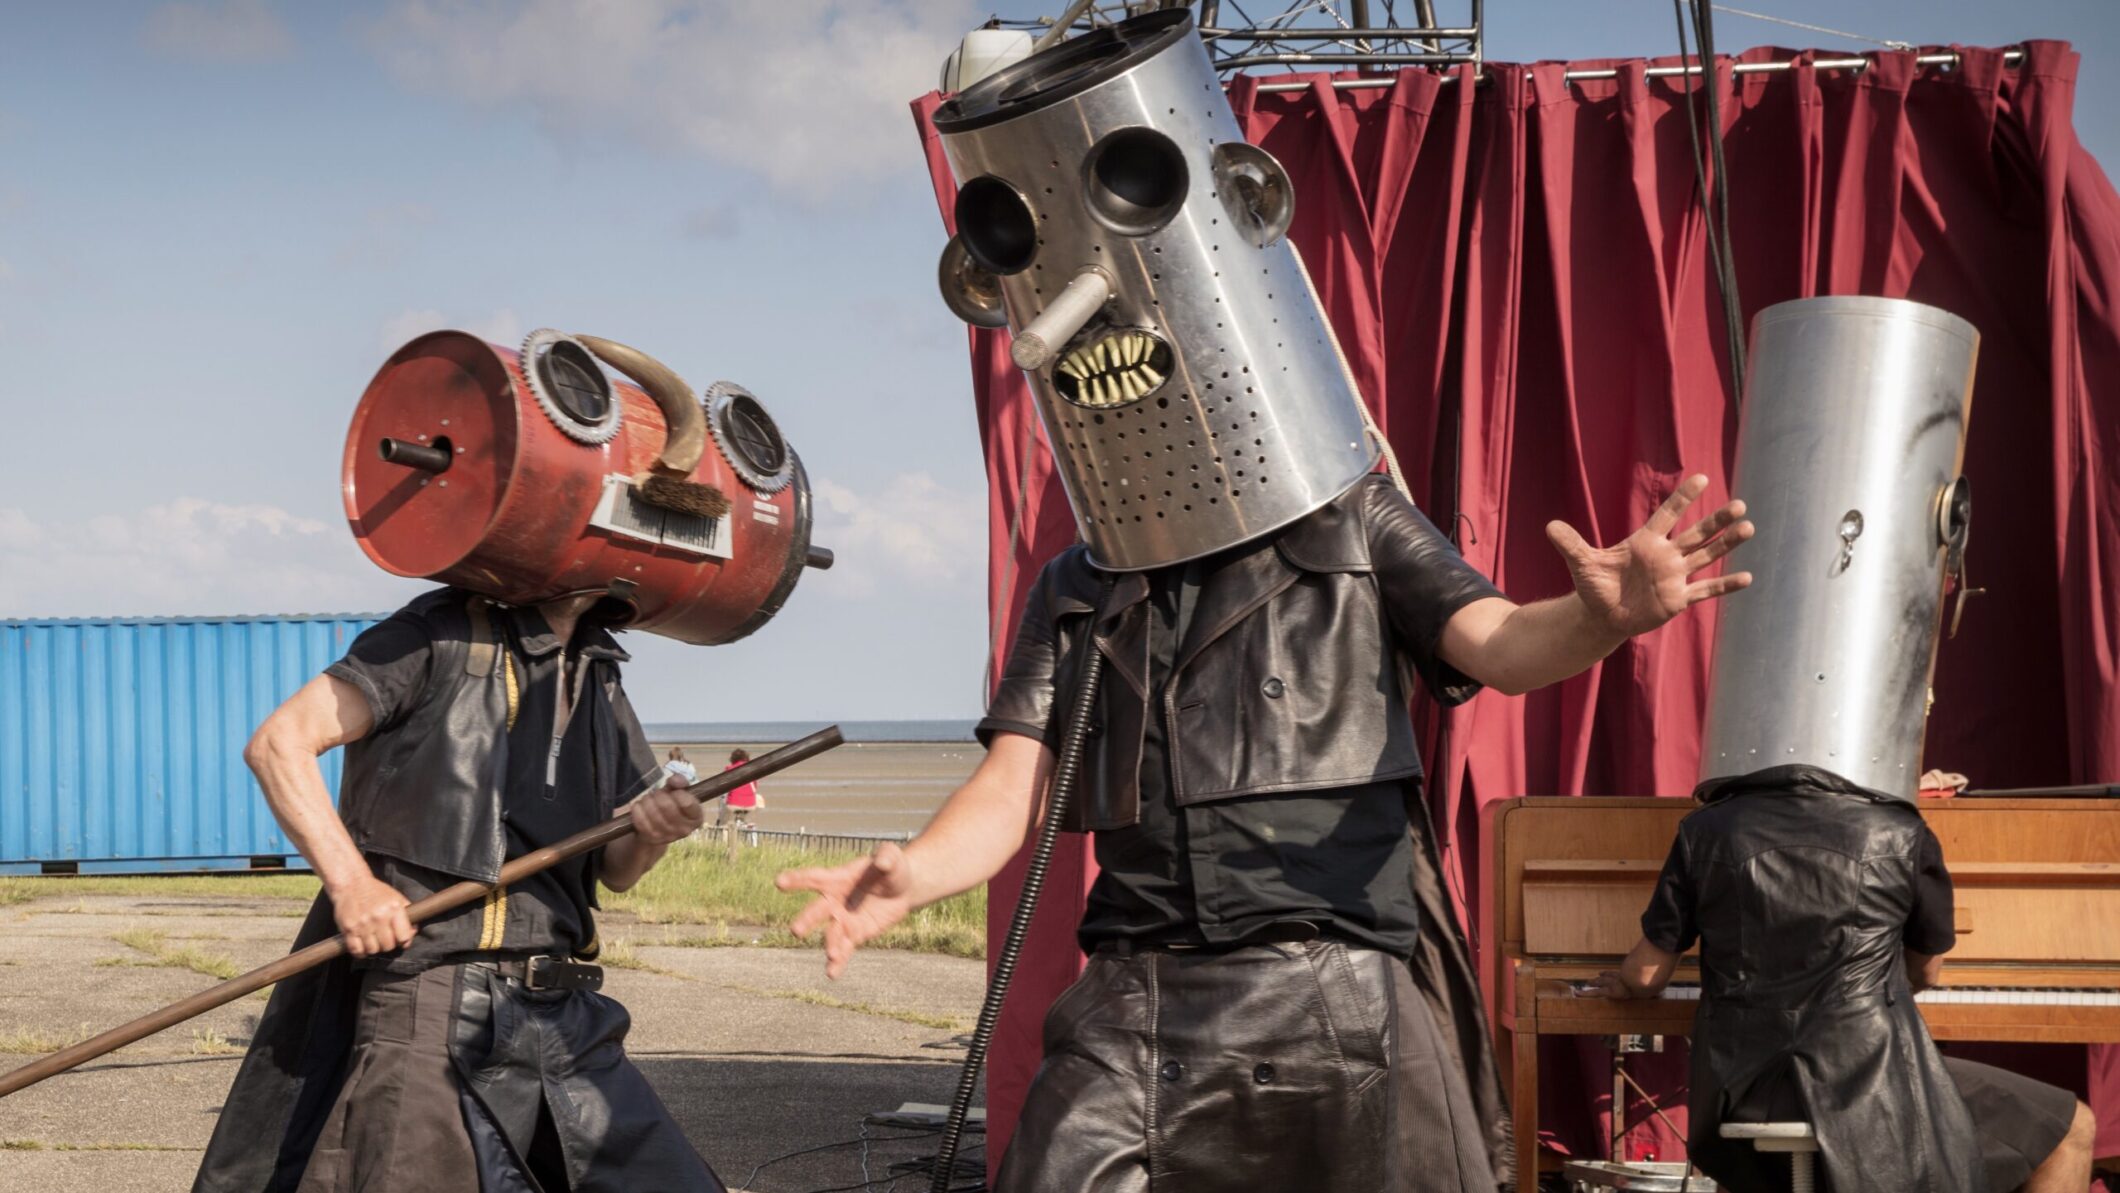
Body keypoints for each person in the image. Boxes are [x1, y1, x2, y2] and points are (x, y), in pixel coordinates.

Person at [781, 470, 1754, 1192]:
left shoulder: (1354, 518)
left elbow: (1500, 643)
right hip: (1137, 995)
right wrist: (912, 871)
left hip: (1338, 992)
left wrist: (1598, 620)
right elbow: (1013, 782)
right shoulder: (1077, 580)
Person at [192, 587, 725, 1193]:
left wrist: (655, 833)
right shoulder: (435, 634)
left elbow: (617, 870)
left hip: (564, 1010)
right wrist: (352, 885)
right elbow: (278, 743)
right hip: (435, 1005)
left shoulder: (596, 666)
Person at [1599, 774, 2099, 1193]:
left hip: (1739, 1086)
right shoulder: (1899, 829)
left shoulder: (1705, 828)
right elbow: (1924, 972)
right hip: (1871, 1085)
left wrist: (1621, 987)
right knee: (2073, 1126)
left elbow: (1645, 975)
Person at [719, 747, 762, 834]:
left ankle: (725, 840)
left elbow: (723, 785)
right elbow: (755, 786)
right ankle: (752, 836)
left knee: (724, 823)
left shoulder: (729, 769)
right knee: (749, 821)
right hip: (750, 804)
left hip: (733, 804)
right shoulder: (752, 769)